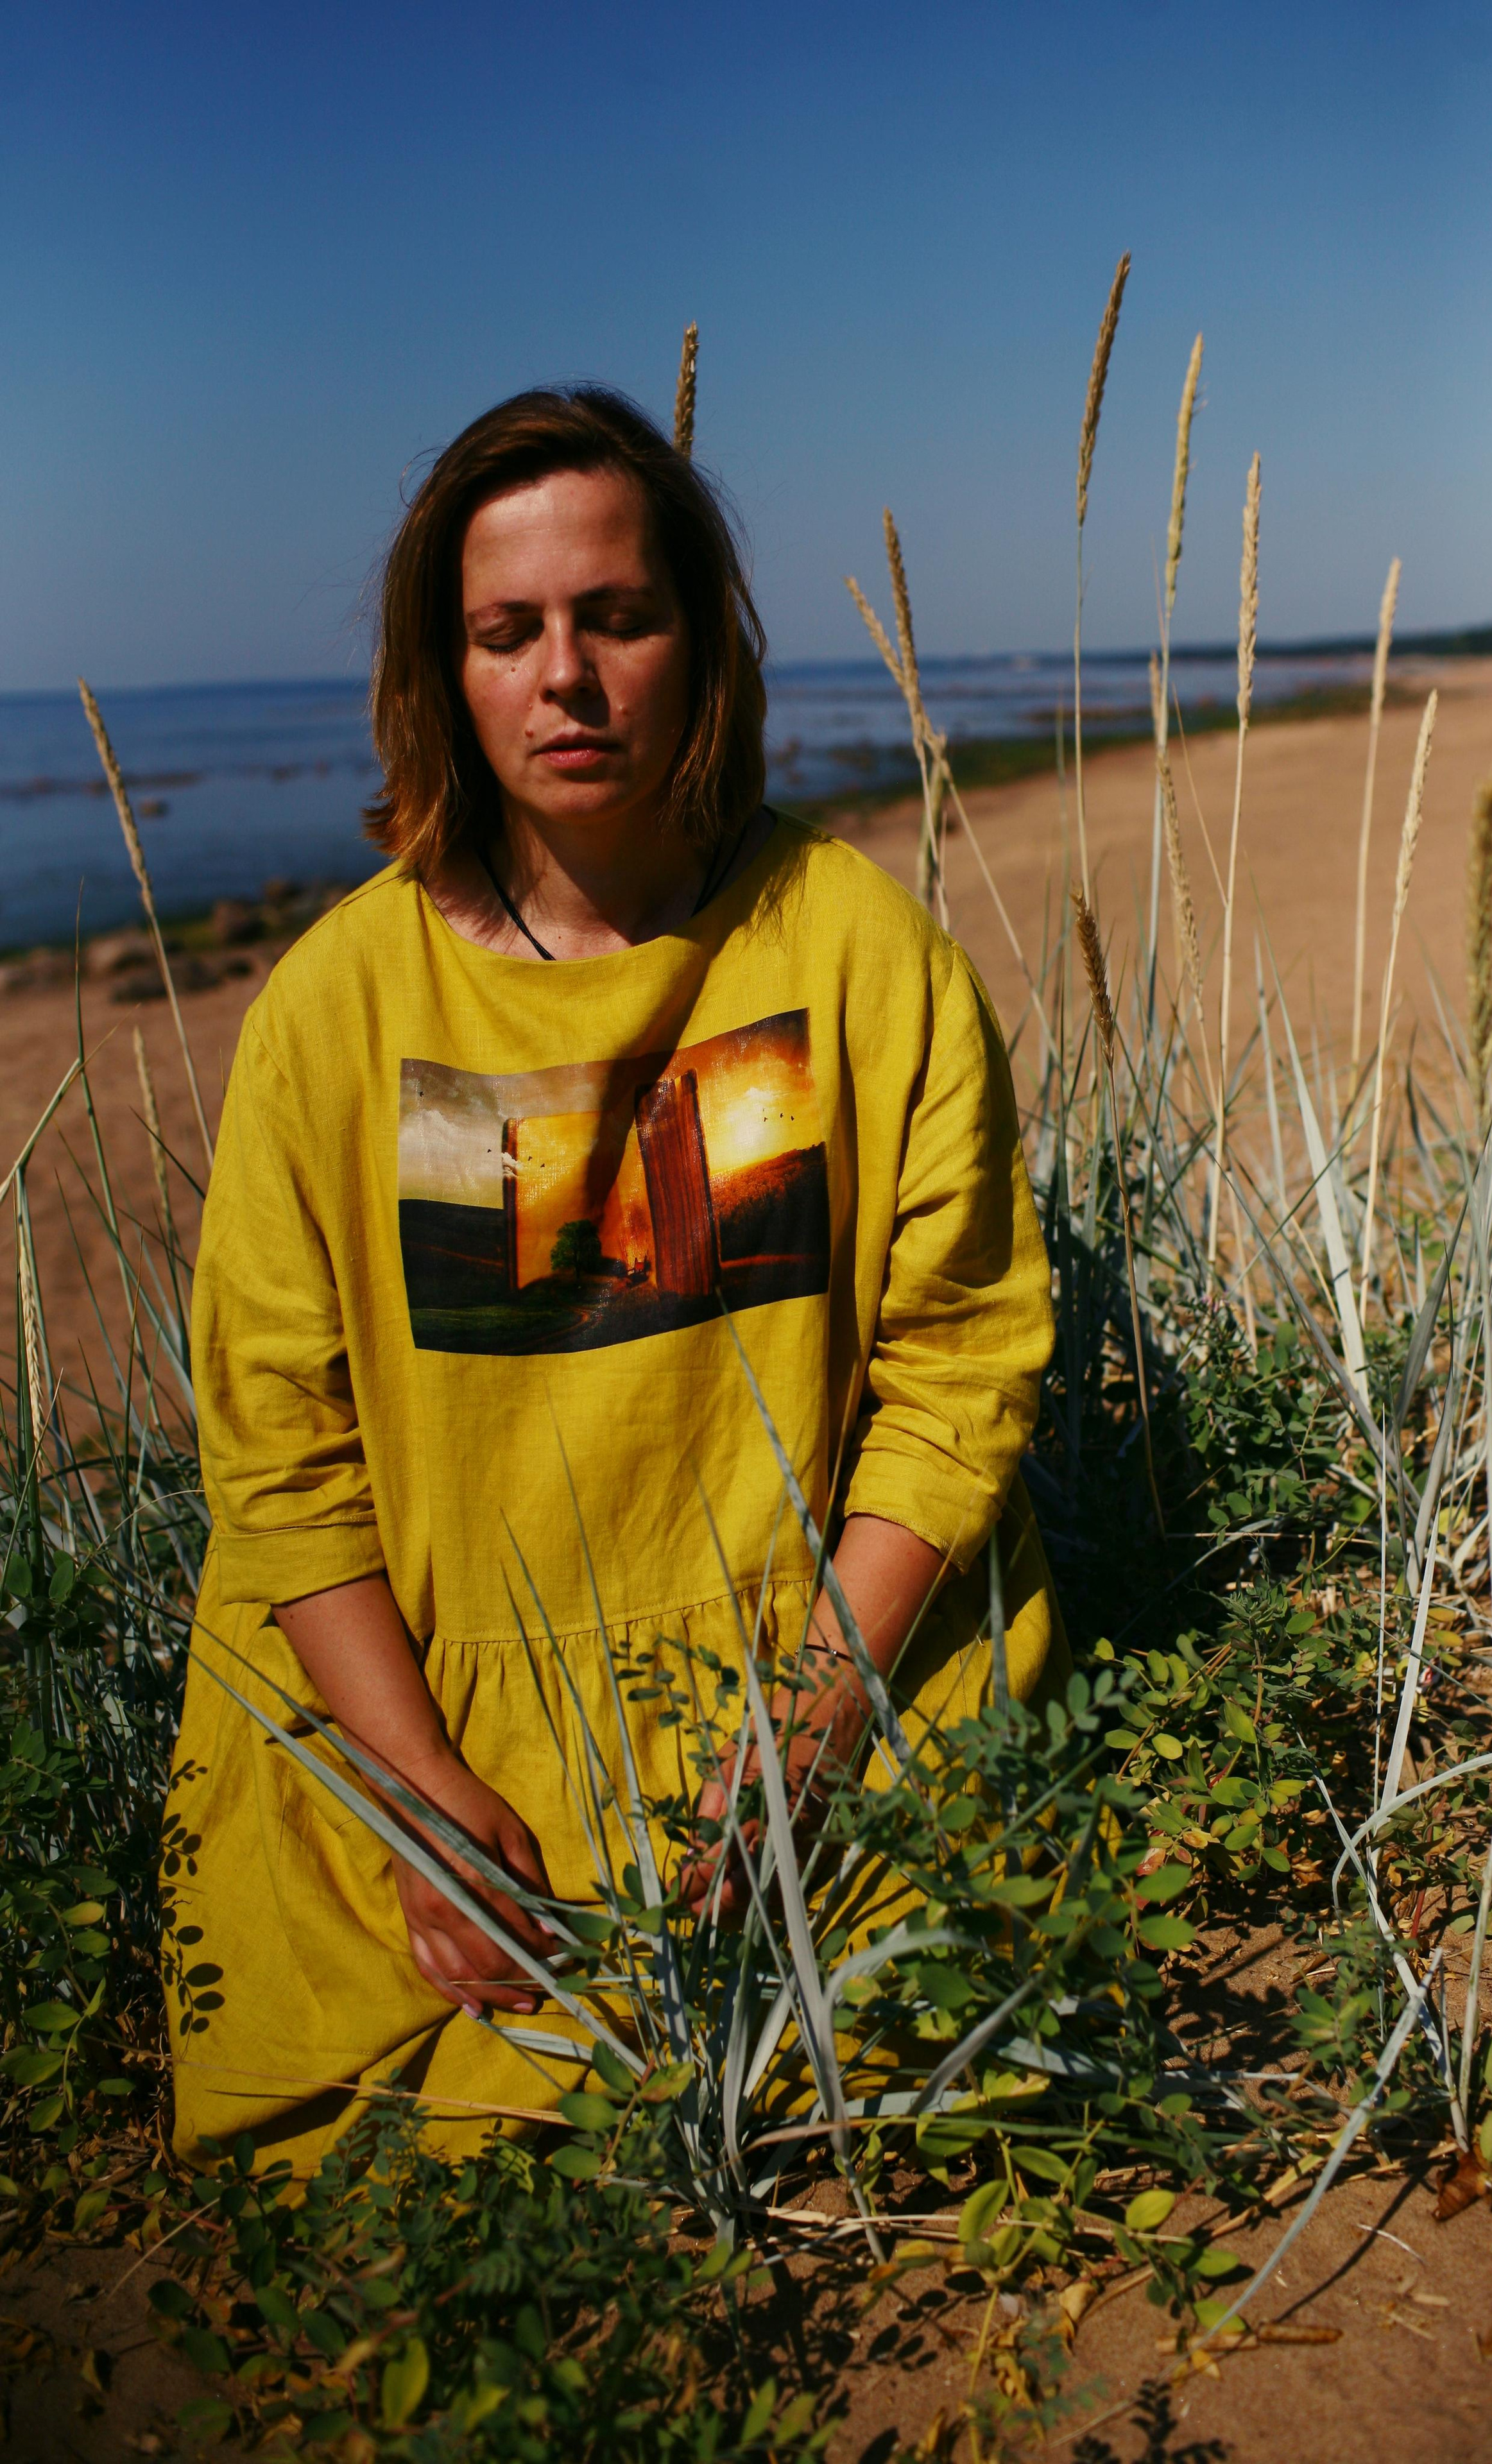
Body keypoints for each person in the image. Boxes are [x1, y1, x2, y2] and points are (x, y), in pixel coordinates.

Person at [164, 385, 1064, 2171]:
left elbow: (961, 1376)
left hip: (824, 1671)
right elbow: (277, 1456)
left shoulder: (859, 953)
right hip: (422, 1712)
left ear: (699, 641)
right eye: (508, 632)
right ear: (446, 672)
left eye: (618, 618)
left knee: (907, 2072)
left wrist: (809, 1731)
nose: (565, 677)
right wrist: (419, 1800)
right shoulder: (334, 1009)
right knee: (426, 2162)